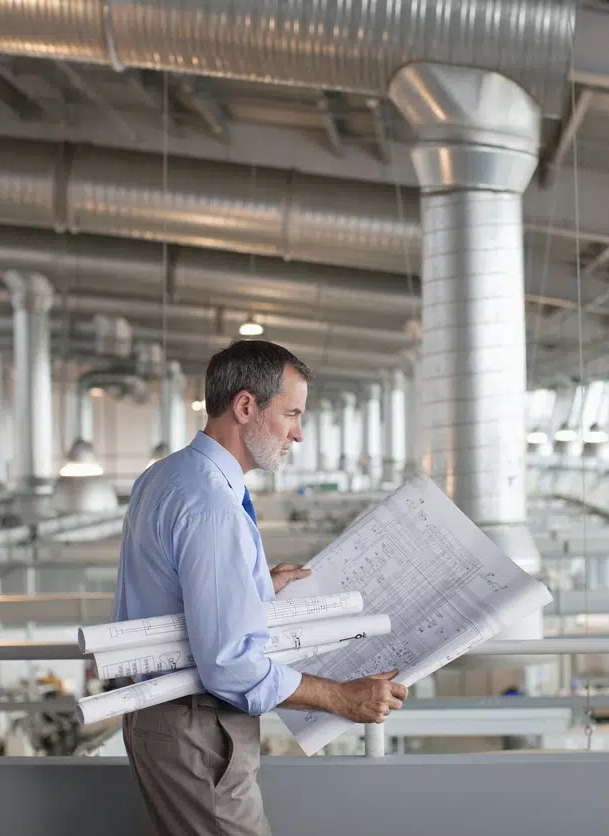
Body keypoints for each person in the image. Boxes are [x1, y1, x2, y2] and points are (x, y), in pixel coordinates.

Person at [113, 339, 407, 836]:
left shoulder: (168, 475)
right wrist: (339, 698)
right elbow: (230, 664)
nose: (299, 432)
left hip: (165, 719)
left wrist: (247, 588)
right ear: (246, 406)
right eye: (291, 413)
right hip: (197, 729)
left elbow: (169, 581)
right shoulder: (211, 505)